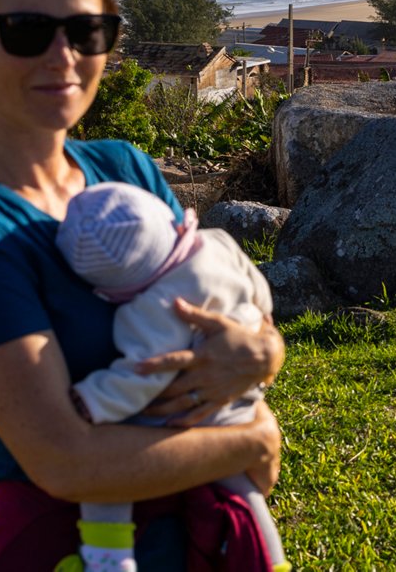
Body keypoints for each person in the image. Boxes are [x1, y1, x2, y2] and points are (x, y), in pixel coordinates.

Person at [0, 0, 284, 570]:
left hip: (201, 538)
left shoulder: (127, 170)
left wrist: (266, 350)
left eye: (87, 32)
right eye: (28, 30)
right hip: (68, 550)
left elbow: (214, 298)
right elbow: (66, 463)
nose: (63, 56)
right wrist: (252, 440)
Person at [56, 182, 288, 571]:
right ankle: (272, 561)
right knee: (244, 494)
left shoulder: (151, 308)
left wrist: (92, 399)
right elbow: (260, 297)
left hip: (185, 415)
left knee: (106, 479)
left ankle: (108, 558)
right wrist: (261, 333)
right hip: (243, 404)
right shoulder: (218, 243)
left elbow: (143, 374)